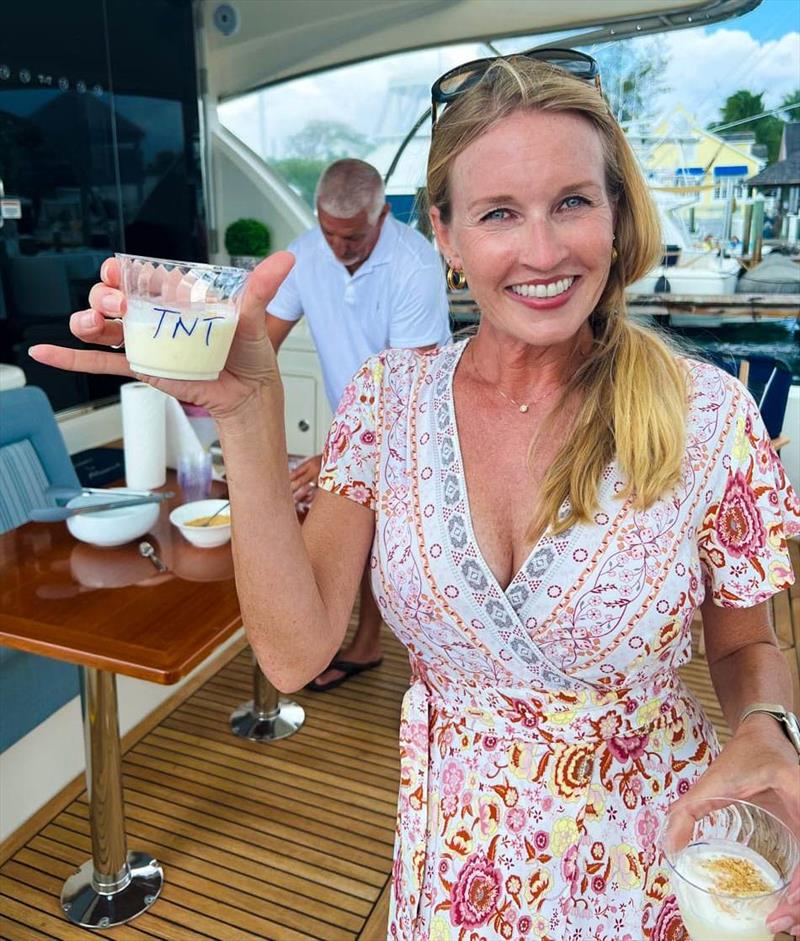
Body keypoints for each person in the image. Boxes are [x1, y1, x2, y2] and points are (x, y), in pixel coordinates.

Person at [30, 51, 800, 941]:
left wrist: (767, 725)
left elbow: (748, 639)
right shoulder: (386, 403)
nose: (543, 251)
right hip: (453, 865)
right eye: (499, 213)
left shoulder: (709, 414)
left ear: (618, 214)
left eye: (574, 202)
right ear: (444, 233)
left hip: (659, 863)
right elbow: (291, 655)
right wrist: (245, 413)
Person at [267, 158, 451, 690]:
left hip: (410, 420)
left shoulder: (413, 266)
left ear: (381, 215)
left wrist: (337, 457)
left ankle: (371, 643)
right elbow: (262, 342)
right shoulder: (303, 255)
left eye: (352, 237)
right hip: (348, 417)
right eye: (329, 232)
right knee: (347, 525)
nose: (338, 247)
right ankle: (335, 640)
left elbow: (410, 385)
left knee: (380, 532)